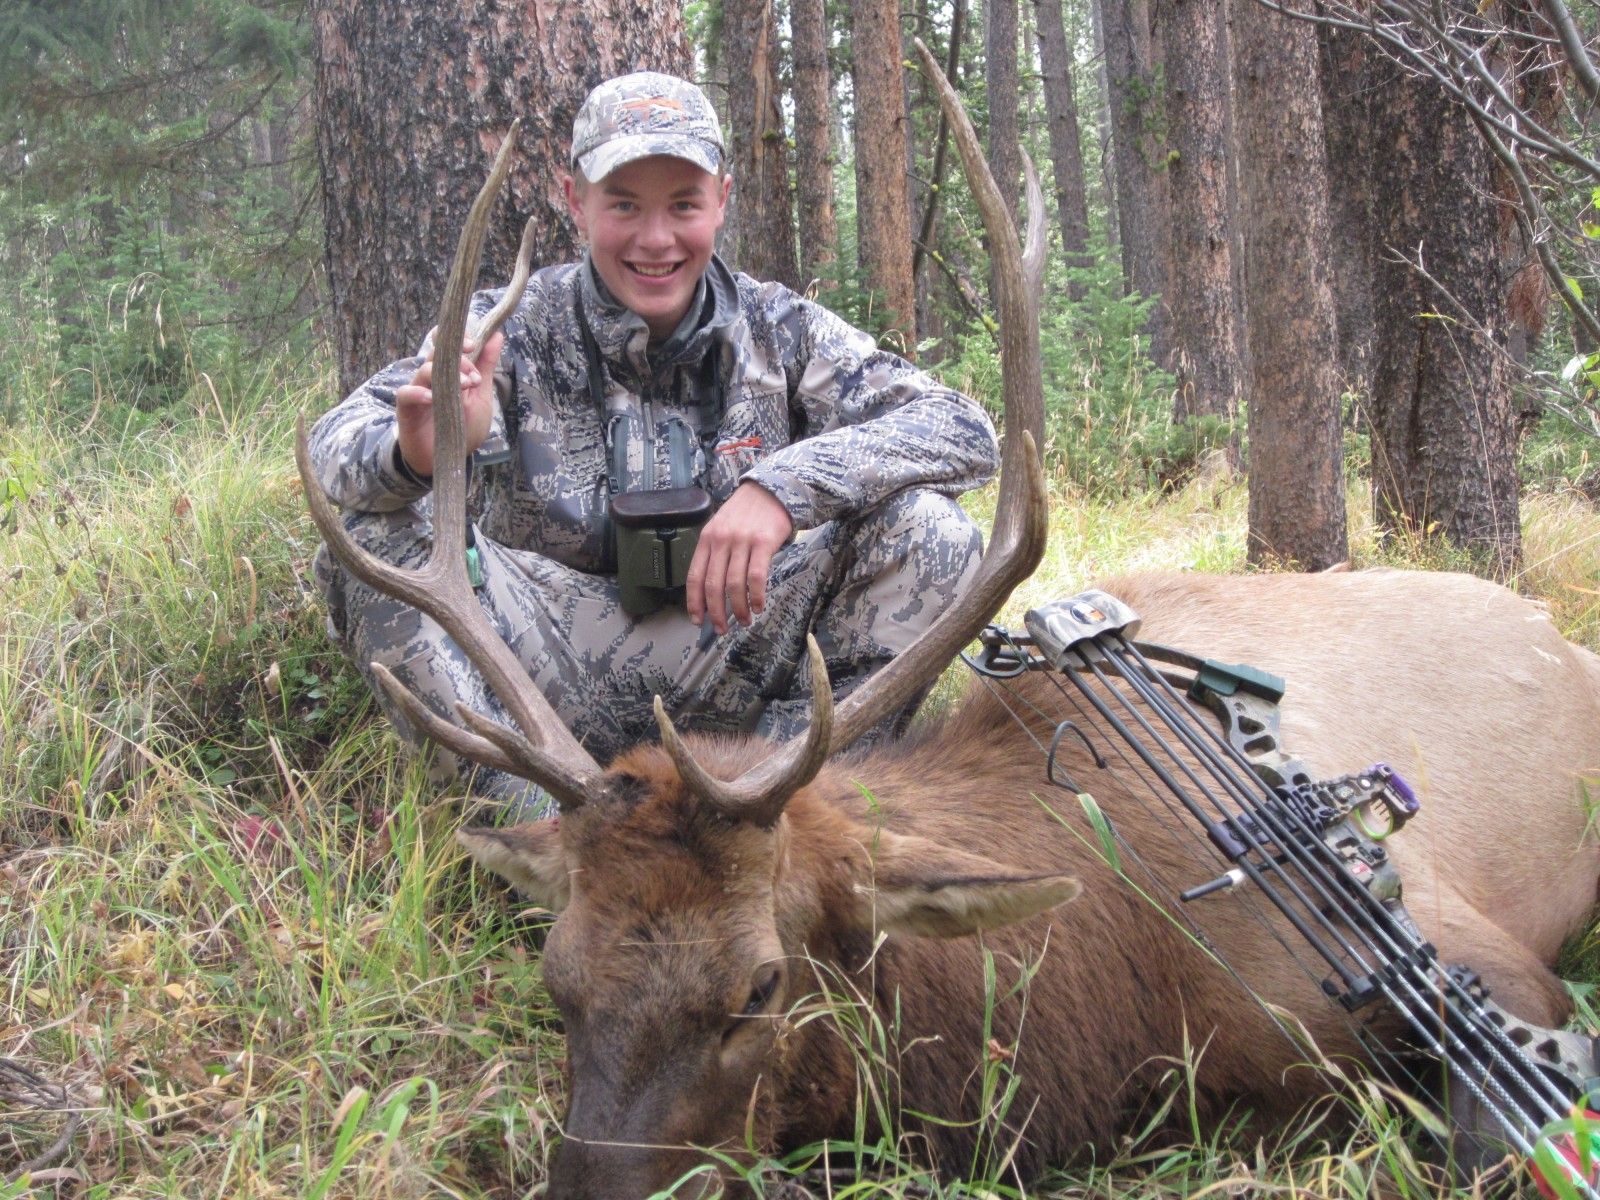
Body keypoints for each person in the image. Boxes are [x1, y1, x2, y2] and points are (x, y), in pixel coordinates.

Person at [307, 71, 999, 817]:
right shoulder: (509, 331)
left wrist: (783, 491)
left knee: (932, 533)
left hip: (745, 653)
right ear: (576, 201)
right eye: (625, 205)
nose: (656, 239)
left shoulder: (780, 329)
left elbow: (962, 428)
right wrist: (419, 453)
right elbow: (331, 447)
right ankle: (541, 850)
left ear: (722, 201)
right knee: (371, 546)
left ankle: (781, 818)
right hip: (545, 677)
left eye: (684, 205)